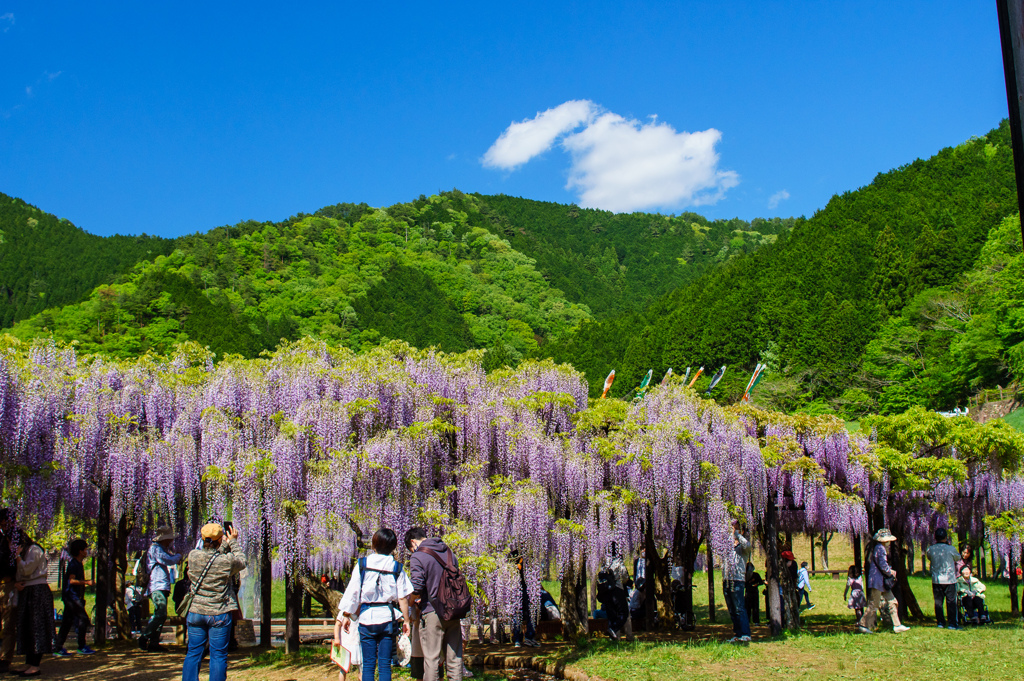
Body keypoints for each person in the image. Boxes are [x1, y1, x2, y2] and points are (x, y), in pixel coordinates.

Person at [336, 528, 412, 681]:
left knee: (368, 664)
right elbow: (403, 598)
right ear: (393, 547)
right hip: (387, 619)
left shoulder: (362, 564)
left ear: (374, 545)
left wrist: (346, 615)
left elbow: (353, 593)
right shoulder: (397, 567)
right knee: (384, 665)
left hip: (367, 618)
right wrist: (407, 620)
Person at [182, 523, 246, 681]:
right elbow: (242, 561)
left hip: (196, 611)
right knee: (218, 655)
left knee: (193, 652)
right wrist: (232, 541)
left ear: (203, 539)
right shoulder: (227, 561)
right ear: (219, 540)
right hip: (219, 612)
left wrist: (221, 543)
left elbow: (211, 557)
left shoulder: (193, 556)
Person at [405, 527, 463, 681]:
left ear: (413, 542)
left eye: (411, 549)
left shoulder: (418, 555)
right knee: (454, 659)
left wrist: (411, 601)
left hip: (433, 612)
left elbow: (417, 587)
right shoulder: (449, 552)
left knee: (431, 659)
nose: (412, 552)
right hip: (454, 610)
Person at [13, 533, 54, 677]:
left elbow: (27, 570)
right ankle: (28, 662)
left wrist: (18, 557)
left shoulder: (34, 550)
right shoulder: (24, 552)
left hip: (37, 591)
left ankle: (35, 665)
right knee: (26, 627)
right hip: (27, 591)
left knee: (37, 626)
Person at [857, 529, 909, 634]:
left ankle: (897, 625)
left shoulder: (879, 548)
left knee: (892, 601)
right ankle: (863, 625)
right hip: (877, 581)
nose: (889, 542)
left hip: (881, 581)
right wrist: (890, 572)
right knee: (874, 604)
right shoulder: (880, 549)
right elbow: (882, 565)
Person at [139, 526, 182, 652]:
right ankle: (144, 637)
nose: (171, 542)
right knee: (161, 614)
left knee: (160, 614)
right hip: (156, 585)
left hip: (162, 585)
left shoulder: (161, 549)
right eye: (169, 539)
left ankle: (154, 643)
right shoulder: (155, 549)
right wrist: (179, 556)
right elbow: (168, 560)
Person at [53, 539, 97, 656]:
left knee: (67, 622)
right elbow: (71, 580)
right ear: (80, 551)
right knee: (83, 618)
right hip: (71, 597)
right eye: (85, 549)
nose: (87, 551)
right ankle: (81, 646)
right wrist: (86, 582)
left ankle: (58, 647)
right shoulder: (73, 564)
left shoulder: (78, 563)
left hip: (72, 596)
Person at [722, 520, 752, 643]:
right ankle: (737, 634)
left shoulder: (744, 548)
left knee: (740, 607)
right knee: (732, 609)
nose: (733, 530)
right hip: (726, 579)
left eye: (736, 528)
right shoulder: (728, 545)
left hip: (738, 579)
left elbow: (747, 545)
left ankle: (745, 634)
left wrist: (738, 534)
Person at [925, 528, 960, 630]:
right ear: (946, 537)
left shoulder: (931, 549)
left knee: (938, 602)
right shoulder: (951, 549)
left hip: (937, 579)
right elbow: (957, 558)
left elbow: (929, 557)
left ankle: (940, 622)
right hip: (950, 579)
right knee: (951, 601)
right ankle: (952, 623)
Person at [596, 546, 631, 641]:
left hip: (606, 592)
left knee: (612, 614)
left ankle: (615, 638)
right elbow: (624, 576)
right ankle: (614, 629)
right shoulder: (618, 561)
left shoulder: (604, 563)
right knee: (623, 613)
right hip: (617, 589)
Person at [0, 510, 17, 673]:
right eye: (2, 524)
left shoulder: (18, 537)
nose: (5, 527)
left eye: (7, 523)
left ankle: (5, 659)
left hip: (9, 585)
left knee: (8, 623)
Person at [511, 551, 538, 648]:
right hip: (518, 588)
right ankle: (518, 639)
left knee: (532, 612)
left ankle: (529, 637)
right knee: (518, 613)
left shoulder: (531, 555)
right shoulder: (515, 555)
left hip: (529, 588)